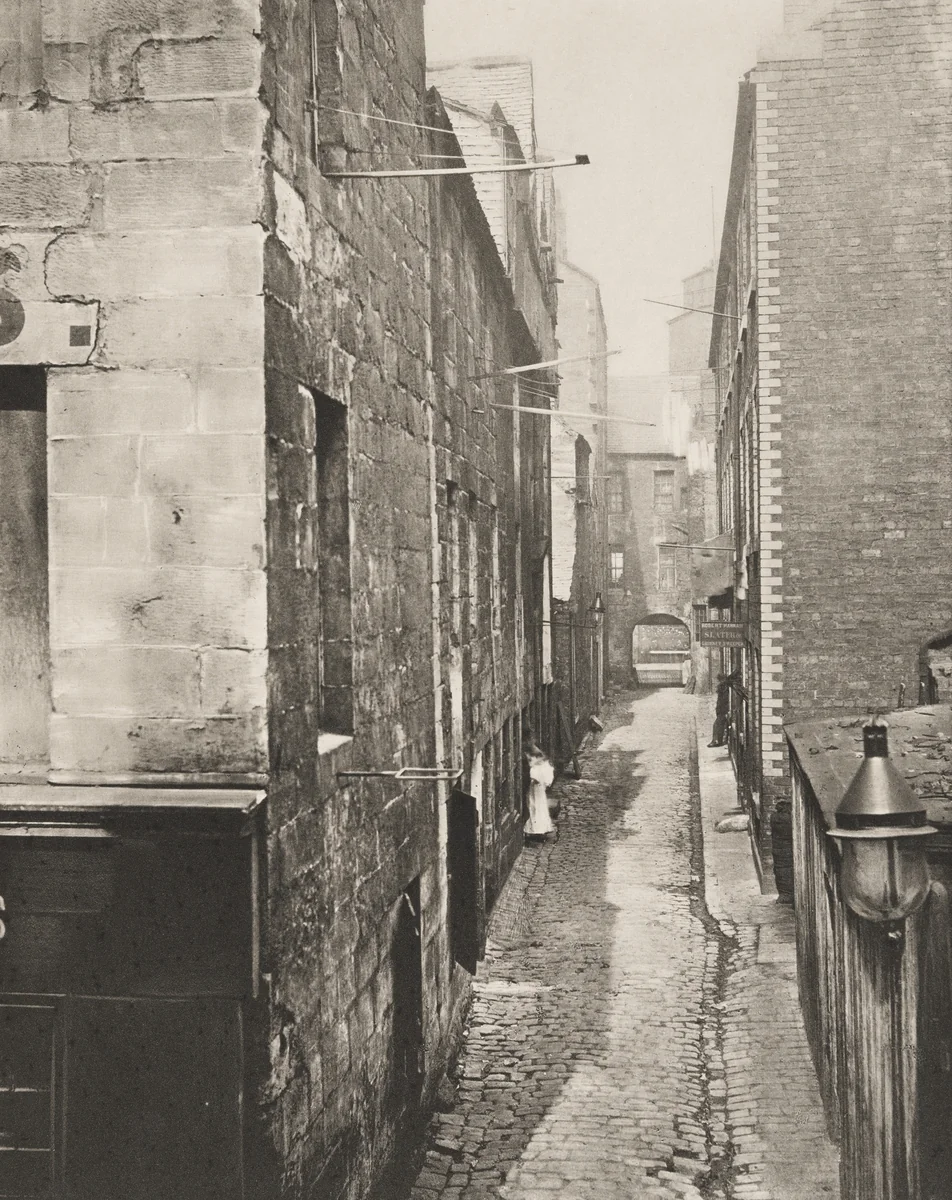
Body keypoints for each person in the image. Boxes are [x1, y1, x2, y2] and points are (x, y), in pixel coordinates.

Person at [523, 740, 555, 840]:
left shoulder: (538, 764)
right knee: (537, 806)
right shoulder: (543, 763)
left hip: (536, 788)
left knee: (535, 806)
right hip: (537, 788)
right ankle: (538, 829)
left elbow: (537, 776)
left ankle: (537, 830)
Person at [709, 670, 740, 748]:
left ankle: (716, 741)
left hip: (723, 710)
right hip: (723, 709)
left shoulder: (723, 687)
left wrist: (721, 710)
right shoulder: (725, 686)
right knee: (720, 724)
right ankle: (720, 740)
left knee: (717, 724)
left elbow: (723, 701)